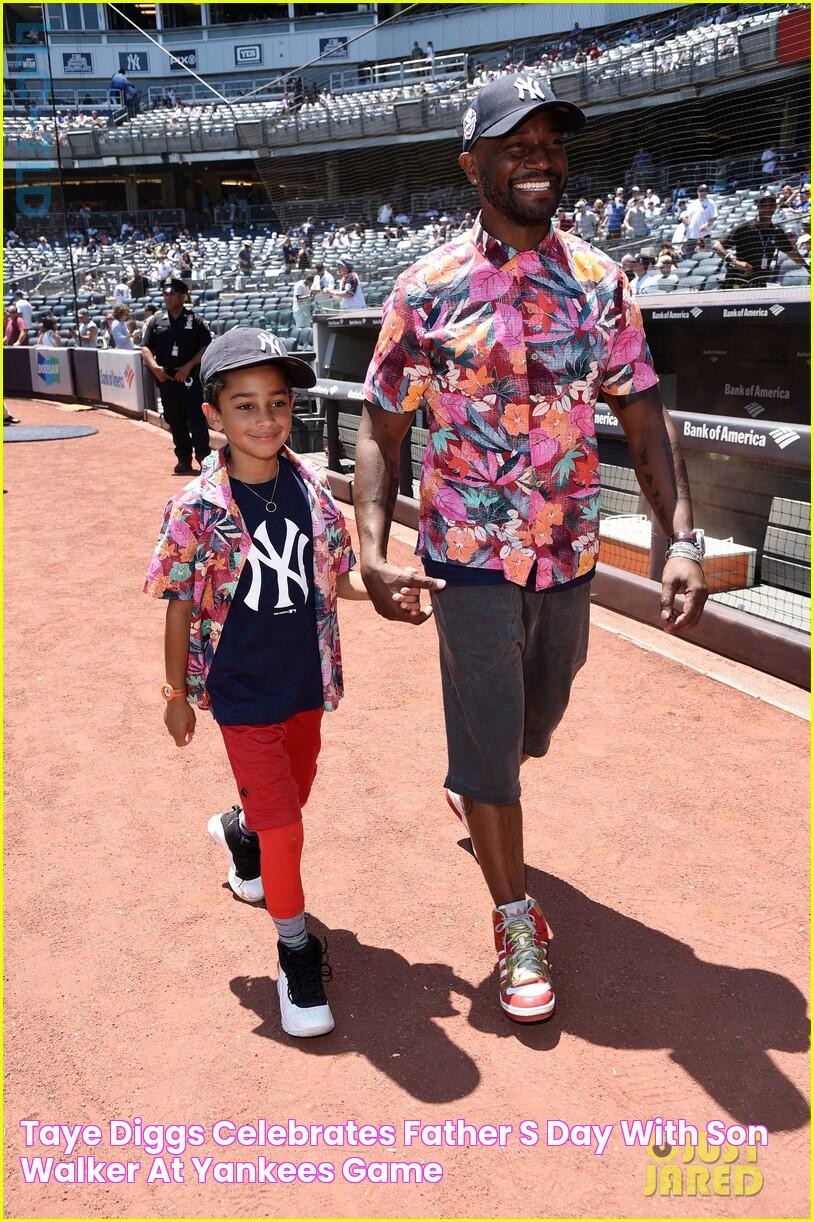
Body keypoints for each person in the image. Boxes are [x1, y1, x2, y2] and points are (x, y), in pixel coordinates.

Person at [353, 73, 707, 1025]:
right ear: (473, 163)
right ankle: (514, 917)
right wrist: (373, 548)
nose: (540, 159)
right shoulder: (424, 291)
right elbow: (382, 430)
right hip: (467, 554)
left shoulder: (600, 283)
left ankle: (483, 772)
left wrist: (684, 538)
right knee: (490, 748)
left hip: (568, 551)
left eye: (551, 143)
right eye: (516, 145)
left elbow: (642, 415)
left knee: (535, 713)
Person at [144, 327, 418, 1037]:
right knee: (288, 828)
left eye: (278, 403)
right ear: (213, 414)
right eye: (244, 406)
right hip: (240, 695)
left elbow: (338, 580)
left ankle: (240, 834)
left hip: (305, 683)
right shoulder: (196, 509)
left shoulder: (311, 491)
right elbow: (178, 605)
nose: (264, 420)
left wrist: (388, 588)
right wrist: (176, 697)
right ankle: (296, 953)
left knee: (290, 797)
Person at [141, 277, 212, 476]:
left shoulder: (195, 321)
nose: (168, 298)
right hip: (167, 379)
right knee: (175, 419)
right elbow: (145, 347)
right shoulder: (156, 321)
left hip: (189, 379)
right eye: (165, 294)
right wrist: (156, 369)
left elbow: (206, 346)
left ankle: (204, 458)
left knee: (196, 419)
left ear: (183, 296)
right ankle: (183, 458)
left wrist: (188, 367)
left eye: (172, 294)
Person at [712, 191, 807, 288]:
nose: (768, 208)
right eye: (764, 205)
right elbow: (717, 246)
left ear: (775, 207)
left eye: (771, 205)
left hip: (759, 284)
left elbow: (792, 252)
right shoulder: (744, 228)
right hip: (737, 283)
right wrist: (735, 262)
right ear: (758, 207)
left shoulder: (777, 232)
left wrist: (808, 268)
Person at [682, 184, 717, 254]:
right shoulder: (693, 203)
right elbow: (687, 216)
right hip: (692, 234)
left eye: (704, 191)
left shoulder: (711, 203)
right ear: (697, 192)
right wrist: (685, 220)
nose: (702, 193)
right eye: (701, 191)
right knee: (690, 255)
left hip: (704, 233)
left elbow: (714, 217)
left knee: (706, 254)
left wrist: (706, 225)